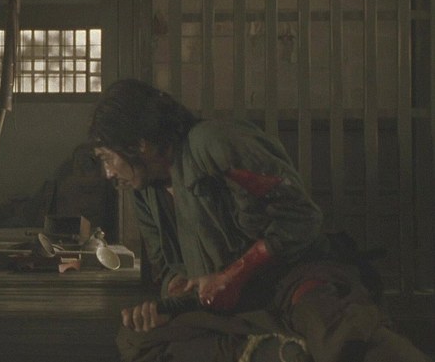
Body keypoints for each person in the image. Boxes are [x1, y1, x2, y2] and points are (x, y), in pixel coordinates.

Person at [88, 79, 432, 362]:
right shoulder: (144, 191)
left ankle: (283, 346)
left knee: (338, 330)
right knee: (136, 339)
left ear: (141, 144)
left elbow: (301, 218)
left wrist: (234, 274)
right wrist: (174, 295)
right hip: (226, 304)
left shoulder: (212, 142)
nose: (108, 173)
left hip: (290, 277)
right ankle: (269, 352)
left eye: (107, 158)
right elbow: (170, 269)